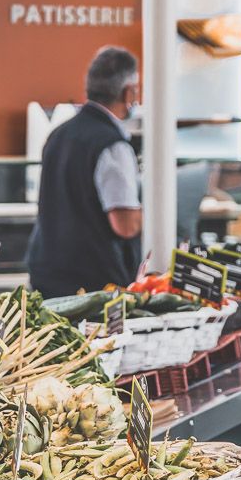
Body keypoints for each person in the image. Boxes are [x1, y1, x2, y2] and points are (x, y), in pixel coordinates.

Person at [27, 46, 142, 297]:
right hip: (92, 285)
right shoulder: (112, 145)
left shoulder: (59, 134)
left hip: (48, 272)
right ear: (128, 92)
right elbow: (125, 225)